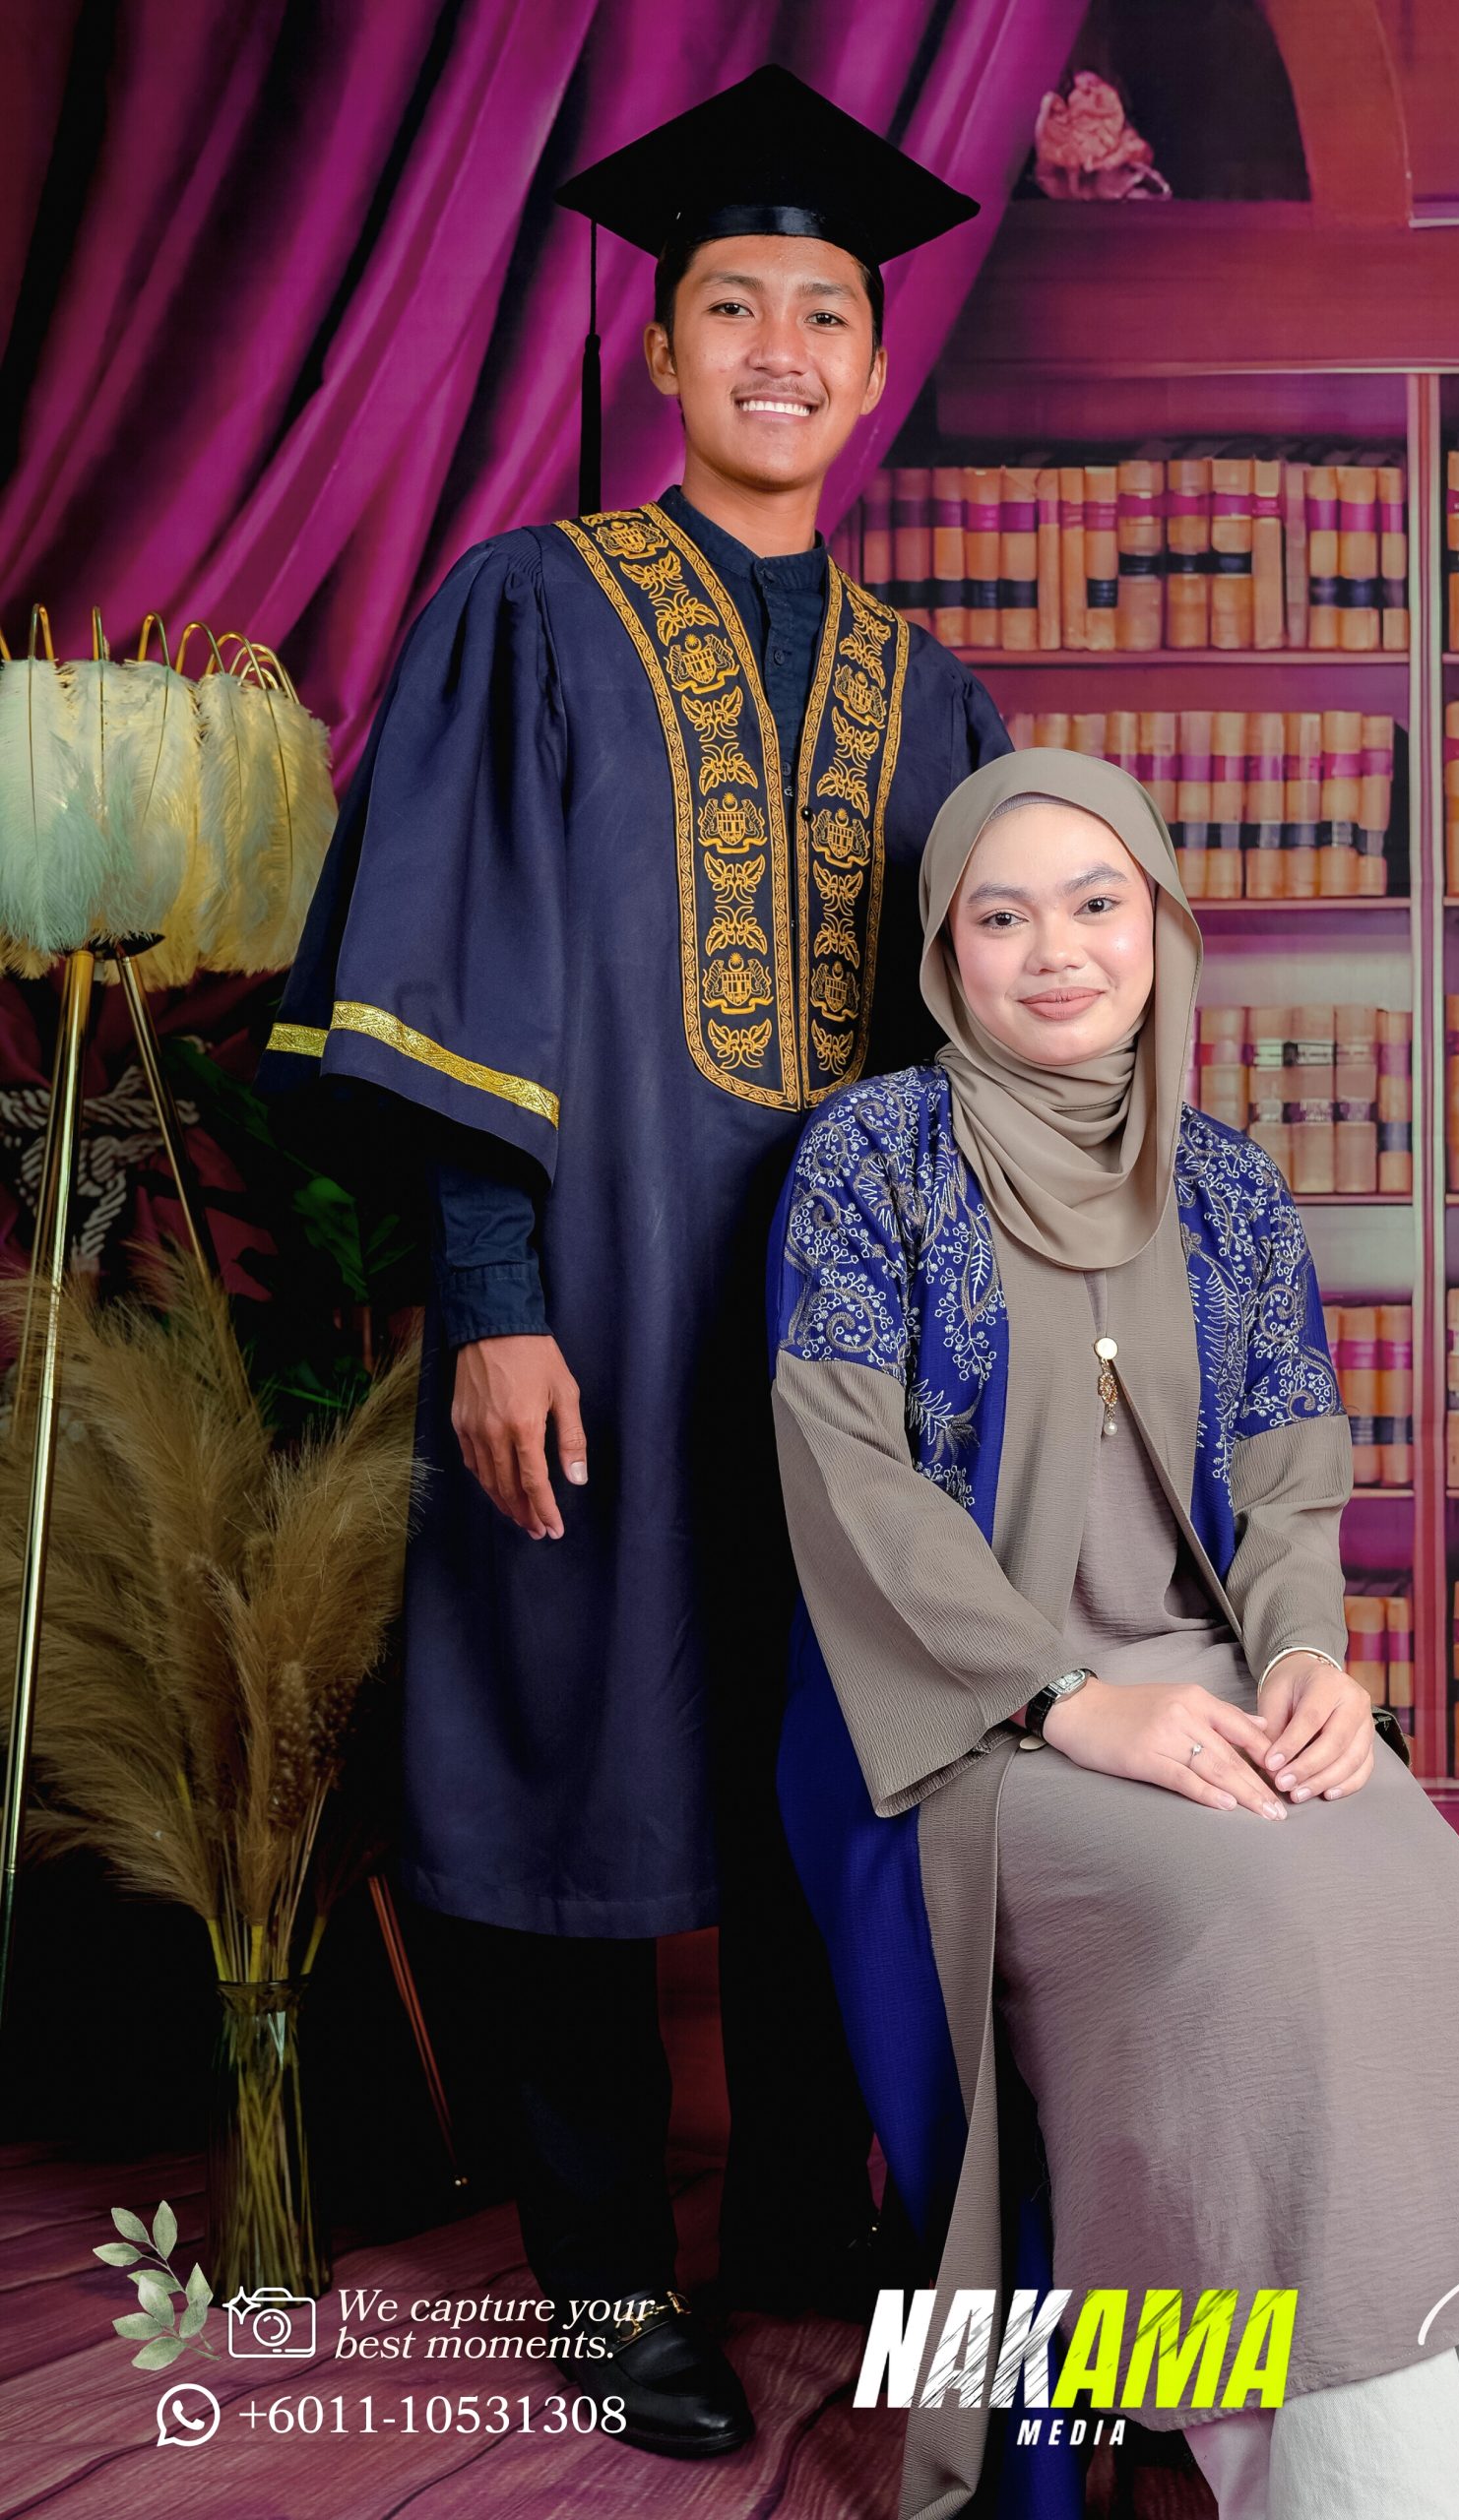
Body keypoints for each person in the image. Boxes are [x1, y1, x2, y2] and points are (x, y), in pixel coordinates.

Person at [257, 64, 1009, 2457]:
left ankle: (799, 2220)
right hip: (589, 1304)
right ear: (661, 346)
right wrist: (489, 1300)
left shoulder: (933, 691)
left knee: (829, 1758)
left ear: (872, 366)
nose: (781, 346)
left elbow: (998, 1045)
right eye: (733, 306)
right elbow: (458, 958)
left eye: (825, 312)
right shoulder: (532, 611)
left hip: (843, 1352)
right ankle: (603, 2279)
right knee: (569, 1746)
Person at [765, 748, 1459, 2520]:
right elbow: (848, 1478)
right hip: (968, 1729)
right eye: (1002, 917)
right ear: (946, 952)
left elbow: (1286, 1481)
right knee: (1256, 1913)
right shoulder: (872, 1159)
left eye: (1095, 903)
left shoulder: (1223, 1182)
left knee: (1419, 1883)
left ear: (1160, 928)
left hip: (1212, 1685)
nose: (1055, 950)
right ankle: (1337, 2476)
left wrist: (1304, 1662)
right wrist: (1066, 1699)